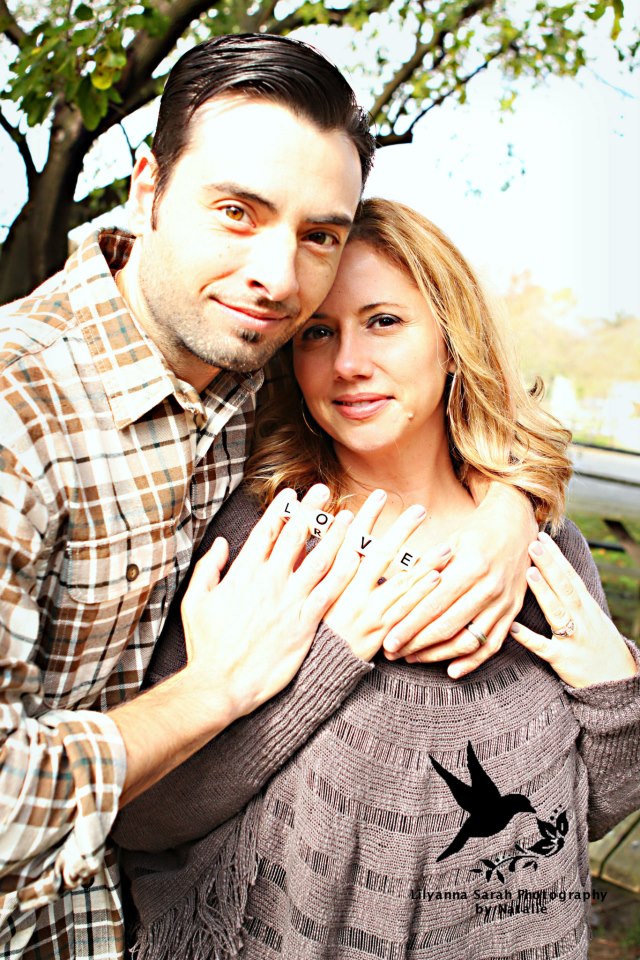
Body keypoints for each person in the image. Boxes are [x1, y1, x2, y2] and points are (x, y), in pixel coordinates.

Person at [0, 35, 538, 960]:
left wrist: (506, 514)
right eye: (236, 212)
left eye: (318, 234)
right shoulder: (20, 416)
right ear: (147, 189)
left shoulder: (253, 370)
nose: (280, 278)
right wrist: (215, 688)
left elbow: (427, 407)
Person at [114, 199, 640, 960]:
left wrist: (617, 693)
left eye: (384, 321)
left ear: (452, 340)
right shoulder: (266, 534)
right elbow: (145, 816)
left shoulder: (542, 549)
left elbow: (585, 814)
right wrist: (328, 662)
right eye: (317, 332)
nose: (348, 364)